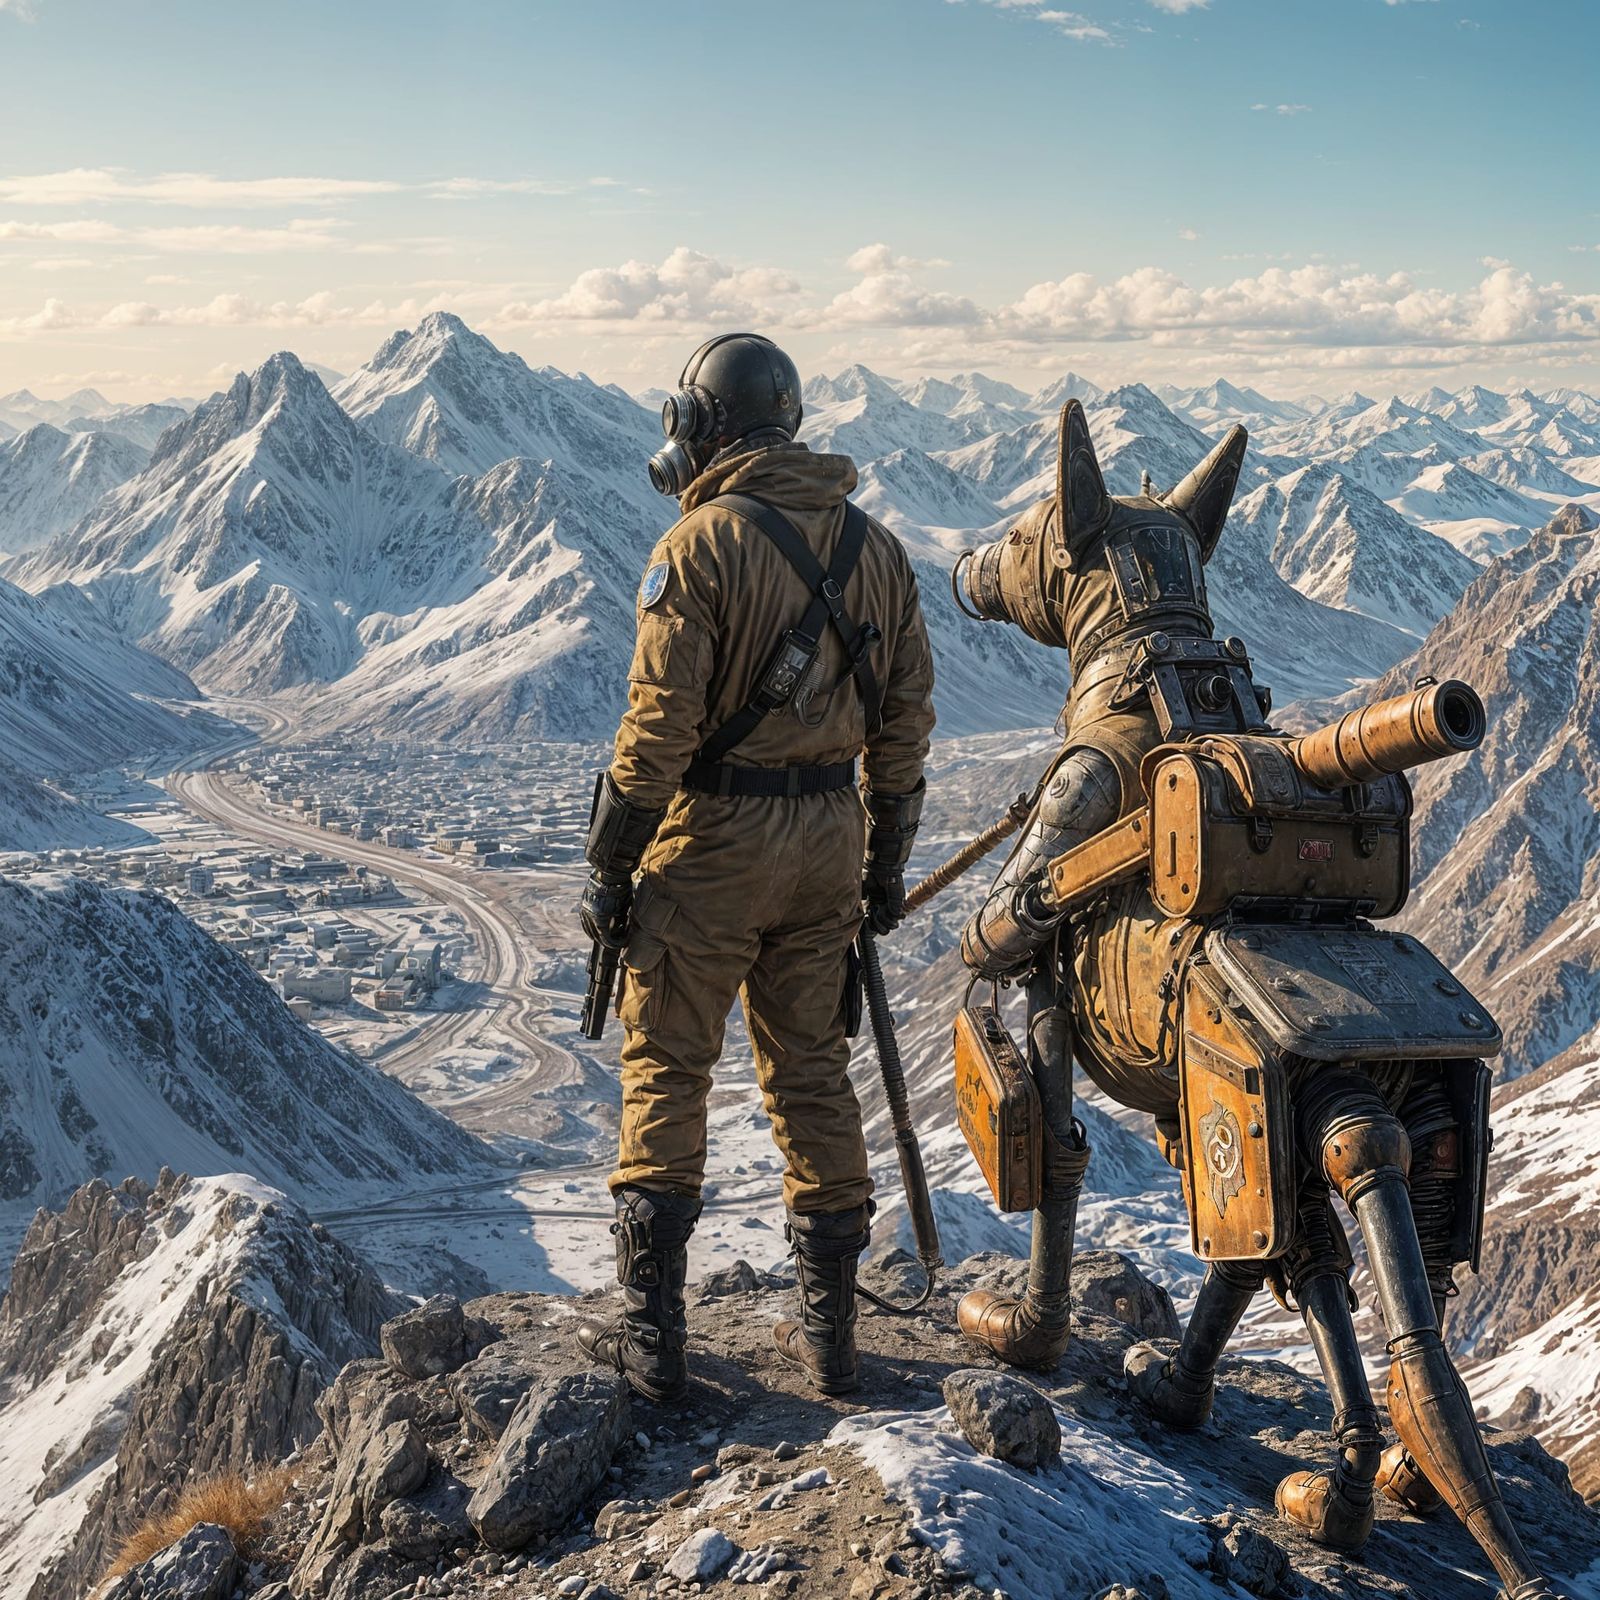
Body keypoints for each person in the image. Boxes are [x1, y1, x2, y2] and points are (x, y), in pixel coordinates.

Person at [575, 332, 935, 1404]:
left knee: (667, 1065)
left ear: (704, 426)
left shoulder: (697, 548)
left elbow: (657, 731)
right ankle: (831, 1340)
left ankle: (653, 1339)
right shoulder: (878, 550)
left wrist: (611, 866)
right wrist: (883, 861)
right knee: (813, 1073)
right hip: (827, 840)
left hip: (715, 840)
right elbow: (906, 722)